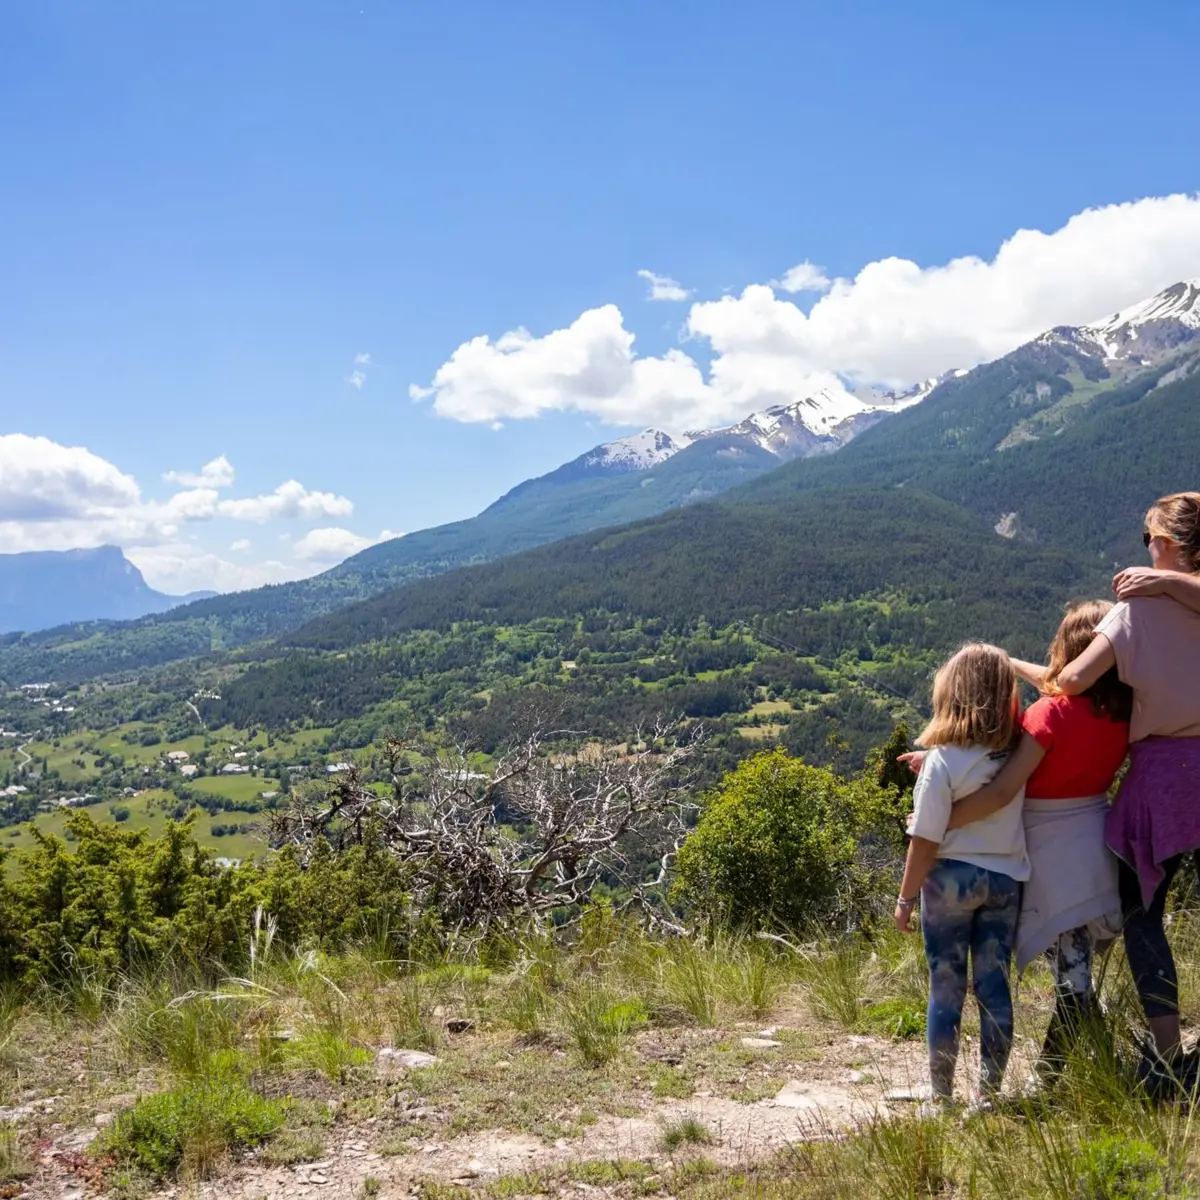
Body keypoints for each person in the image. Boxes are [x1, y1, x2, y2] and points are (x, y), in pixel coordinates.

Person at [903, 601, 1131, 1082]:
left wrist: (934, 823)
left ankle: (1047, 1072)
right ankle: (1051, 1073)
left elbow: (1002, 787)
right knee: (1064, 967)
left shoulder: (1049, 715)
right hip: (1097, 836)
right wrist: (1008, 663)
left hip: (1046, 845)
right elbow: (1056, 685)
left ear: (1067, 651)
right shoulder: (1122, 714)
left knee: (1061, 972)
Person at [1051, 492, 1200, 1085]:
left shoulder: (1134, 613)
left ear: (1164, 543)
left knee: (1144, 918)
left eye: (1147, 539)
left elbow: (1074, 679)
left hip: (1159, 782)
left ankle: (1167, 1056)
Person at [894, 643, 1030, 1110]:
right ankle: (988, 1094)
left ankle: (941, 1095)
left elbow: (925, 838)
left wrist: (905, 899)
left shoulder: (941, 760)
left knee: (946, 986)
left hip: (949, 882)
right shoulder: (1016, 756)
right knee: (994, 984)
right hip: (1005, 879)